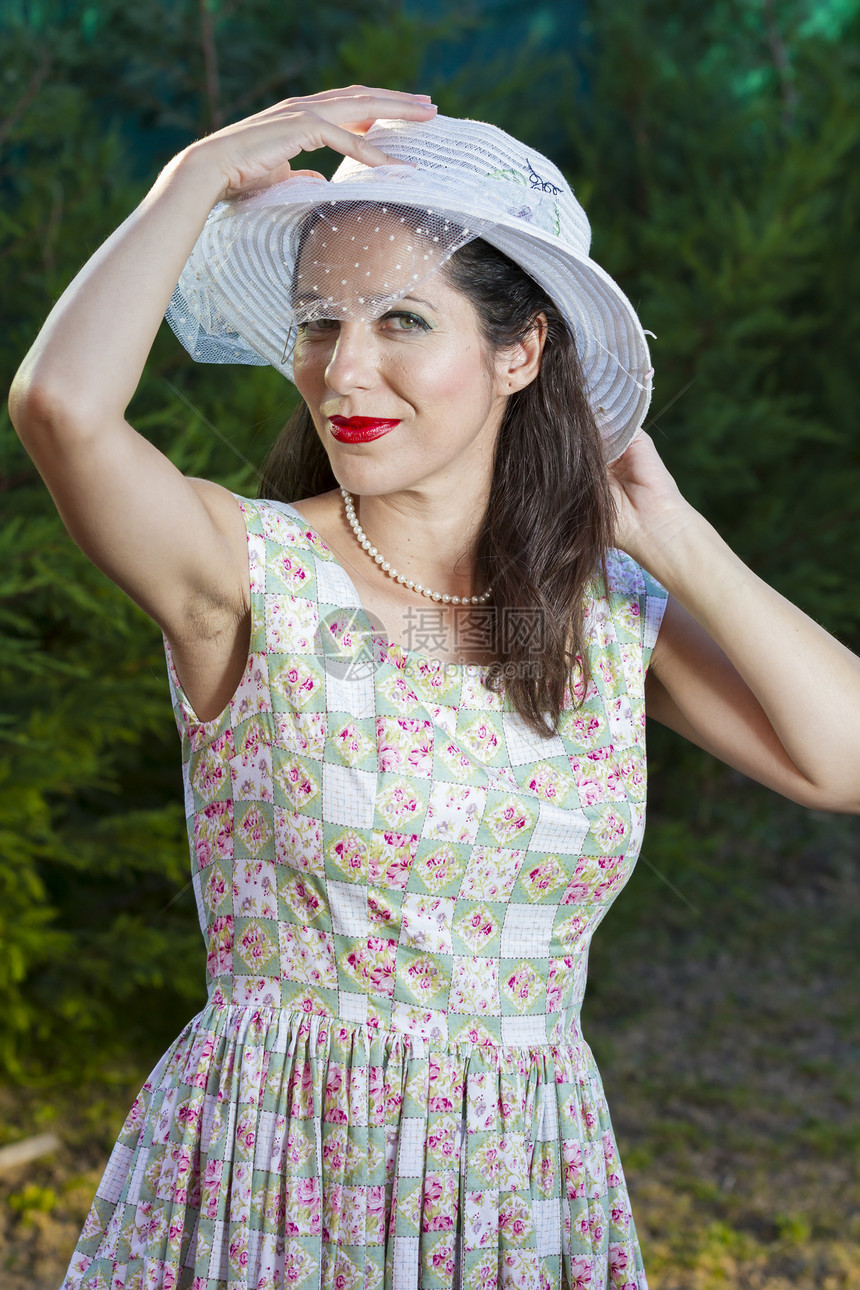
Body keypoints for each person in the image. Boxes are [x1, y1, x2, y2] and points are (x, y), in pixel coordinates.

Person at [9, 84, 860, 1290]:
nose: (345, 369)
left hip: (518, 1192)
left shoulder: (601, 613)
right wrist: (194, 174)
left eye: (401, 319)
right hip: (274, 1179)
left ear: (519, 350)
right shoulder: (245, 573)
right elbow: (62, 409)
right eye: (317, 322)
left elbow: (843, 760)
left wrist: (677, 541)